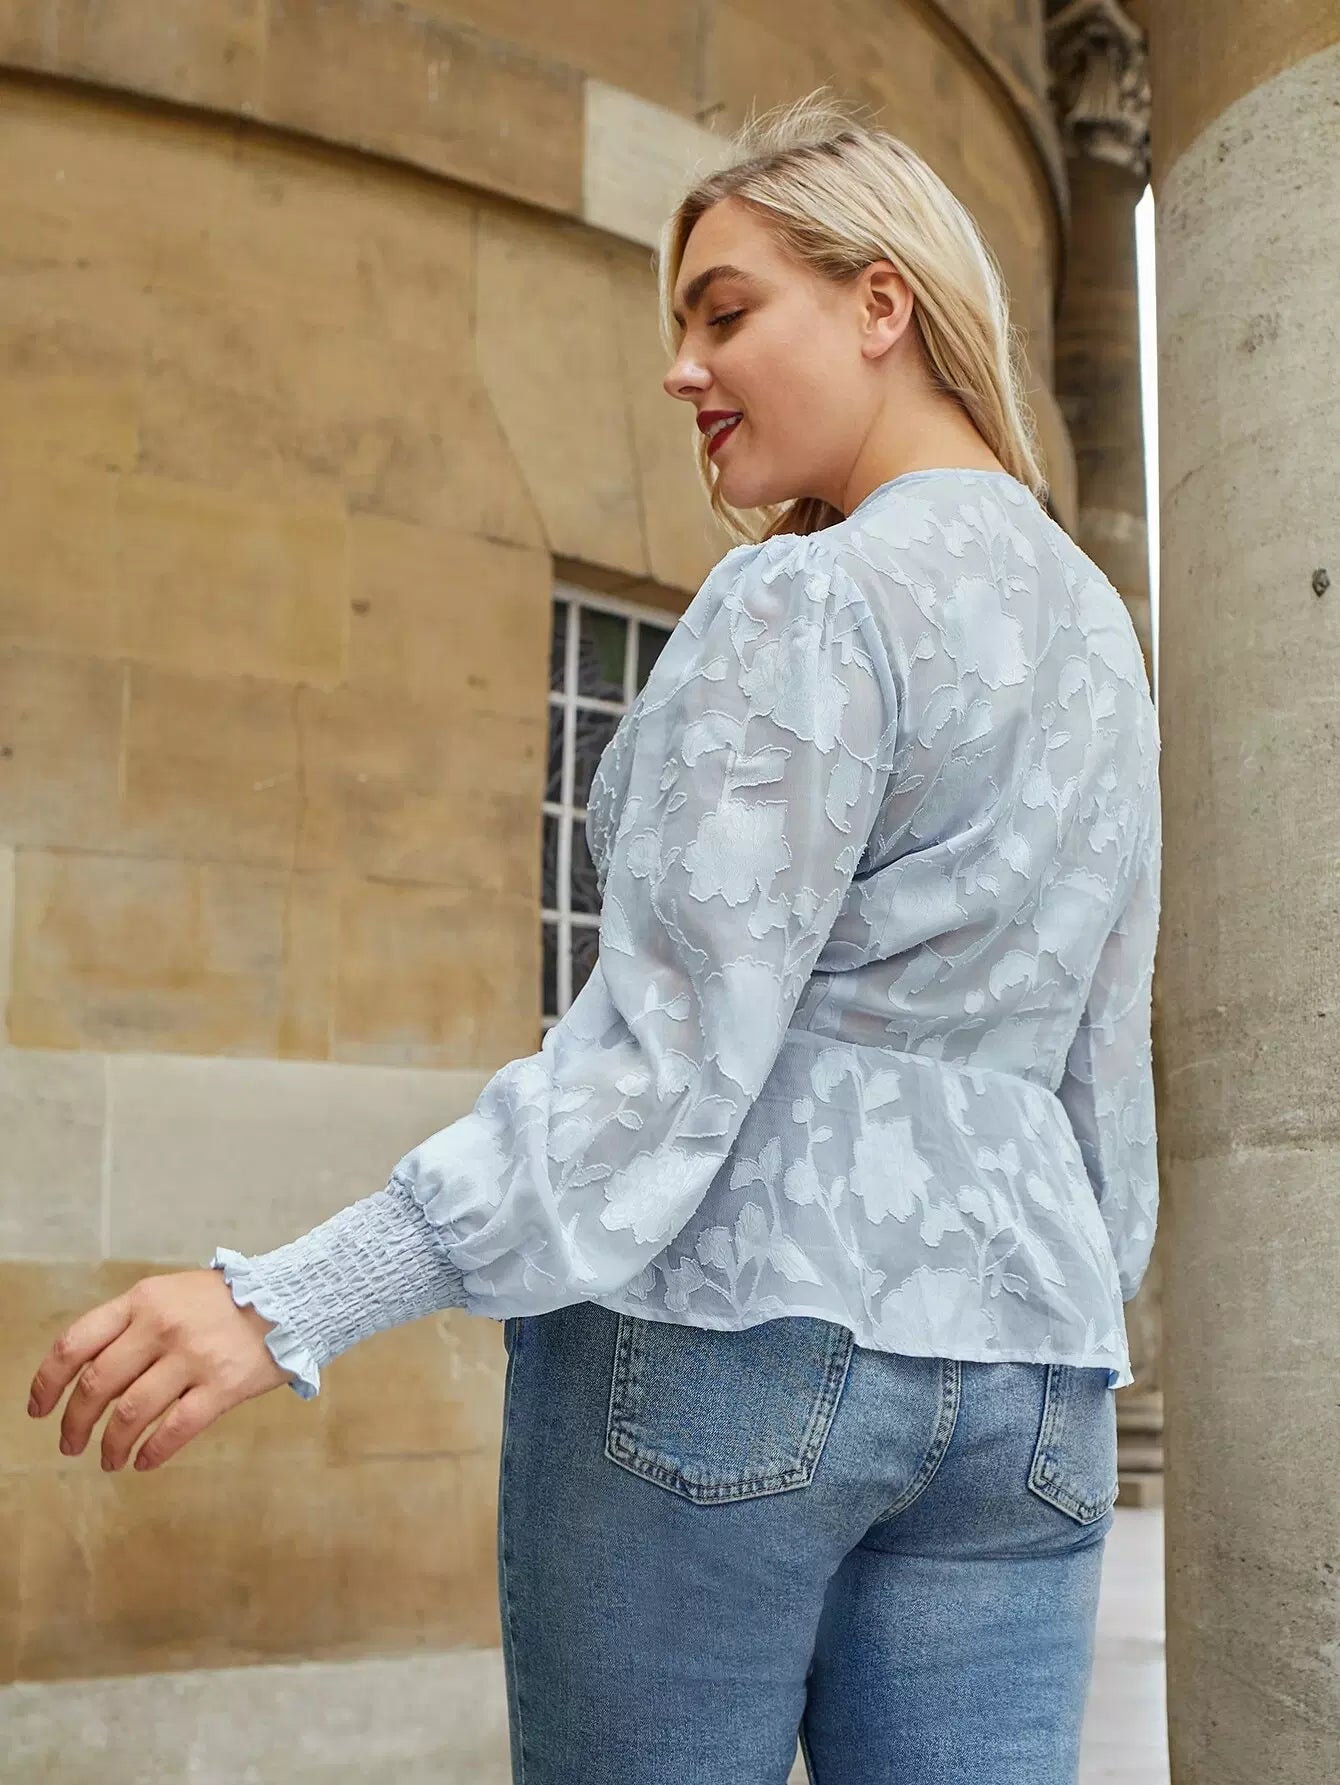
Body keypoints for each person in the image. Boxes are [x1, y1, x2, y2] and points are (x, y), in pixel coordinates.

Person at [26, 89, 1162, 1785]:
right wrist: (1057, 1302)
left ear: (882, 302)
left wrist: (290, 1301)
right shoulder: (1100, 636)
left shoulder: (813, 597)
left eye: (726, 312)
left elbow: (661, 1069)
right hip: (1033, 1382)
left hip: (730, 1343)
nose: (681, 370)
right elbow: (1104, 1083)